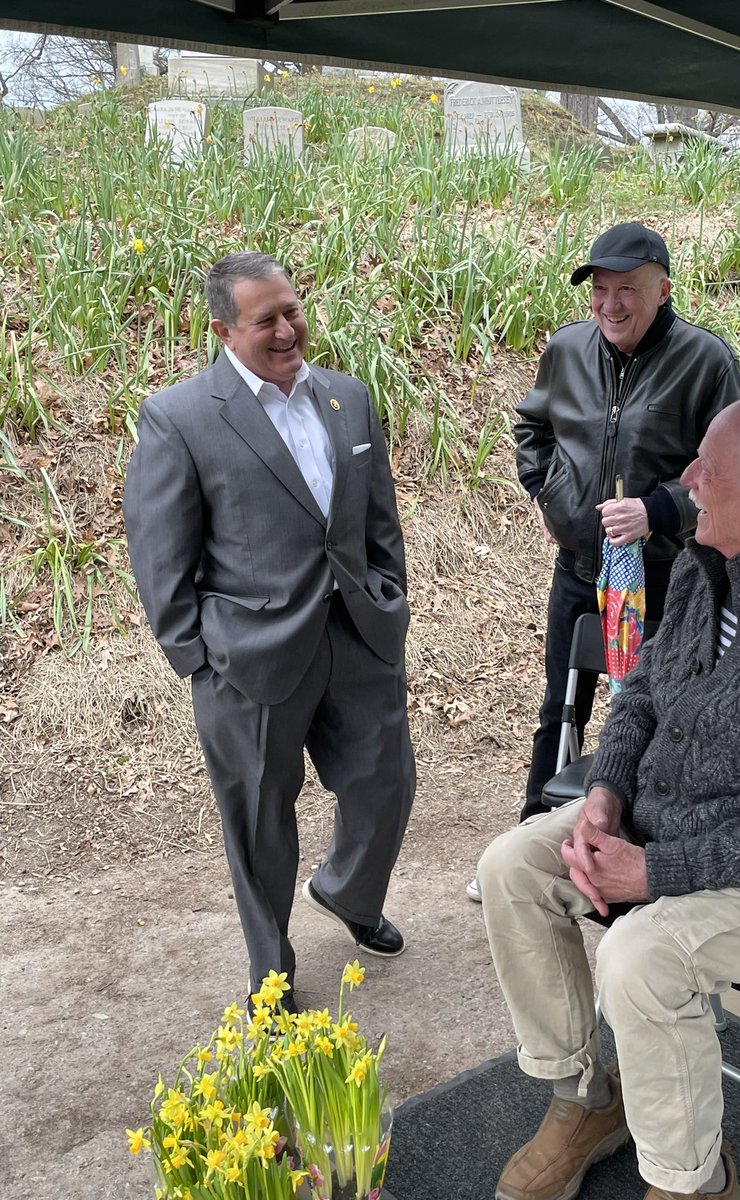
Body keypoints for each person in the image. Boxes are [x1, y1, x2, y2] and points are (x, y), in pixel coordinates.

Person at [478, 395, 740, 1200]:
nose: (688, 479)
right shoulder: (719, 561)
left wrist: (655, 870)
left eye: (709, 467)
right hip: (672, 817)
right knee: (513, 866)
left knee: (641, 962)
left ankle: (695, 1182)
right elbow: (641, 690)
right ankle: (587, 1099)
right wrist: (604, 791)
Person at [123, 251, 415, 1010]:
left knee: (386, 784)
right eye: (266, 320)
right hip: (247, 658)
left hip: (356, 633)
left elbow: (378, 518)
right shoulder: (180, 417)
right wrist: (197, 657)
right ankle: (271, 966)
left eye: (293, 310)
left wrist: (391, 598)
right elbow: (160, 553)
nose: (288, 329)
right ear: (223, 330)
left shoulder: (349, 398)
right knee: (257, 819)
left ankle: (349, 893)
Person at [514, 220, 740, 829]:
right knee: (560, 708)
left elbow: (733, 470)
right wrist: (551, 496)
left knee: (664, 711)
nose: (610, 305)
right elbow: (532, 430)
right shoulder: (567, 350)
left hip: (674, 577)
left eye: (627, 290)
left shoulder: (706, 360)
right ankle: (534, 834)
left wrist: (659, 510)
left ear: (663, 290)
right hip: (582, 571)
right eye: (600, 289)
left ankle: (648, 838)